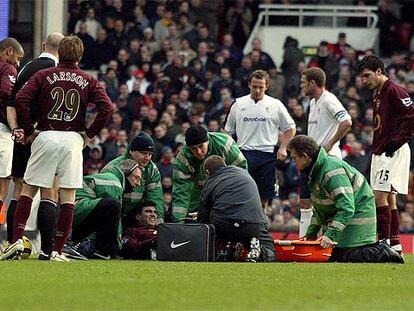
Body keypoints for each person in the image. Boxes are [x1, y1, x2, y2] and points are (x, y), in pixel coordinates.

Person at [1, 35, 113, 261]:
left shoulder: (44, 74)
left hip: (46, 135)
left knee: (28, 190)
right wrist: (89, 134)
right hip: (72, 138)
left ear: (59, 52)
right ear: (80, 56)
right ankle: (56, 250)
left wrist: (28, 130)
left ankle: (15, 242)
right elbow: (107, 108)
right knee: (67, 196)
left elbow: (21, 98)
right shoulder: (87, 80)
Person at [287, 135, 403, 263]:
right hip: (348, 218)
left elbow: (347, 207)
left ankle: (384, 252)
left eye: (294, 158)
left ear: (304, 155)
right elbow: (320, 209)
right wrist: (310, 235)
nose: (293, 162)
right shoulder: (315, 172)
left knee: (342, 257)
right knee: (332, 256)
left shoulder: (331, 171)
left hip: (358, 218)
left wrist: (329, 235)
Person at [6, 33, 64, 257]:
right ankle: (47, 251)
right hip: (42, 136)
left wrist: (17, 130)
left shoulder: (24, 68)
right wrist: (33, 130)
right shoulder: (55, 73)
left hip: (21, 136)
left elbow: (12, 104)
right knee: (50, 190)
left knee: (19, 191)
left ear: (43, 46)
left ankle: (13, 245)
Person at [355, 55, 414, 255]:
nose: (364, 80)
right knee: (389, 199)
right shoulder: (377, 94)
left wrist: (396, 142)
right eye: (362, 77)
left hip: (392, 150)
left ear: (379, 71)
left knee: (379, 196)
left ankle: (383, 241)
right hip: (381, 150)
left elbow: (411, 115)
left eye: (366, 75)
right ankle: (395, 244)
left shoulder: (394, 90)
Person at [224, 69, 296, 209]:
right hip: (243, 153)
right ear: (249, 84)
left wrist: (283, 148)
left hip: (267, 155)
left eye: (261, 87)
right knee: (241, 194)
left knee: (264, 196)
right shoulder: (238, 104)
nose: (257, 90)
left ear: (267, 86)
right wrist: (229, 150)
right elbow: (226, 131)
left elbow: (290, 128)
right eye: (254, 86)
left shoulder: (276, 105)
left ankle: (261, 227)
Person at [299, 67, 352, 237]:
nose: (301, 86)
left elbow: (346, 121)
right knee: (307, 201)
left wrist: (329, 145)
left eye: (303, 82)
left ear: (312, 83)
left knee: (330, 202)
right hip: (312, 159)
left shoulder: (329, 100)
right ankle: (306, 240)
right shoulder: (314, 102)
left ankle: (331, 241)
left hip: (327, 159)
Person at [198, 155, 275, 262]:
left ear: (207, 172)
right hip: (254, 223)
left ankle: (223, 251)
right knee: (269, 249)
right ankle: (261, 252)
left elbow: (203, 215)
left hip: (225, 225)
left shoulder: (211, 182)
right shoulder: (244, 173)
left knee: (215, 228)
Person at [171, 125, 247, 223]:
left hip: (227, 188)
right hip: (198, 195)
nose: (198, 152)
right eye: (194, 149)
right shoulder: (183, 159)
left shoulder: (225, 146)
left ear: (207, 141)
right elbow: (181, 193)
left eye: (201, 146)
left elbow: (241, 177)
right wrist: (179, 224)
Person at [72, 159, 142, 259]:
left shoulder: (111, 179)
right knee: (113, 205)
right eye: (136, 178)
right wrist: (115, 250)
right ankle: (103, 251)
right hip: (77, 210)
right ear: (127, 173)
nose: (138, 183)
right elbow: (114, 221)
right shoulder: (114, 183)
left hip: (74, 210)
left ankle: (101, 250)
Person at [101, 132, 164, 222]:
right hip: (114, 212)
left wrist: (158, 226)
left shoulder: (152, 170)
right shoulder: (113, 169)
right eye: (143, 153)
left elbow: (155, 199)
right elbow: (110, 205)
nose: (147, 158)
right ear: (131, 151)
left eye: (150, 154)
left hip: (135, 215)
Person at [0, 37, 24, 230]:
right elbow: (8, 95)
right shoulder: (8, 69)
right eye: (17, 57)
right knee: (2, 184)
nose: (18, 62)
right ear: (8, 51)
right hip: (1, 130)